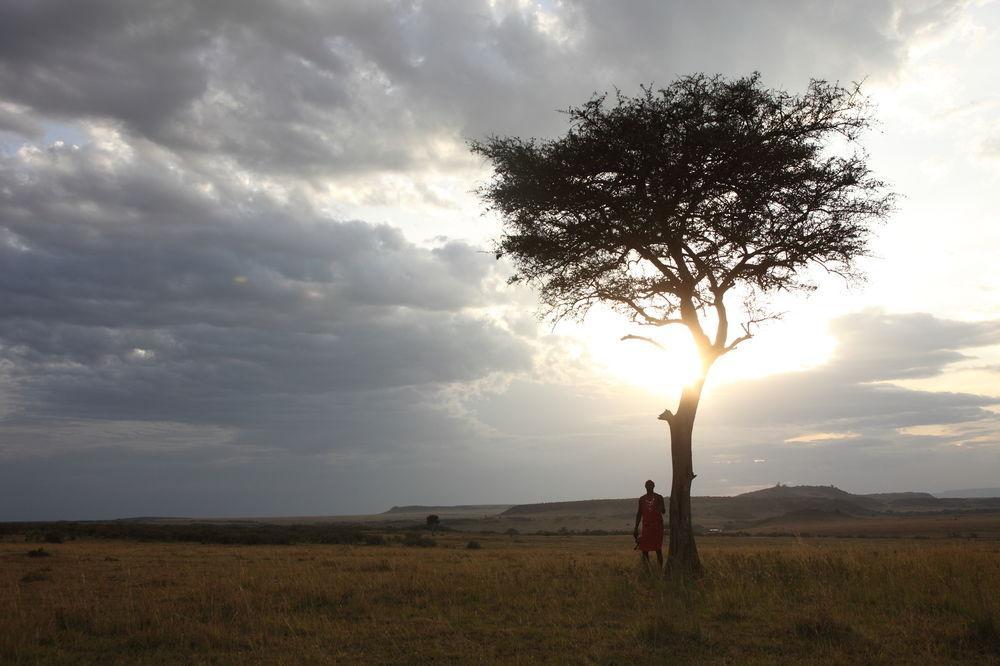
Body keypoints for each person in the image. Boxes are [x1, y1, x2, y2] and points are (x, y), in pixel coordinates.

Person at [633, 479, 665, 568]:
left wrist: (660, 508)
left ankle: (660, 569)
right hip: (646, 526)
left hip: (657, 526)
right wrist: (636, 528)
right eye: (647, 485)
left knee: (658, 548)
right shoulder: (642, 499)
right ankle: (647, 569)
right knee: (644, 548)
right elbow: (639, 513)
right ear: (645, 486)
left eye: (651, 485)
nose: (649, 487)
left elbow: (664, 511)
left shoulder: (659, 497)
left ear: (654, 486)